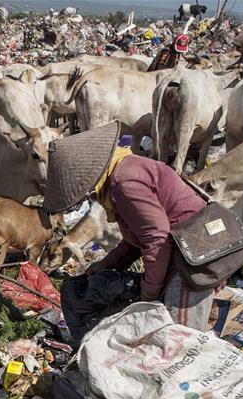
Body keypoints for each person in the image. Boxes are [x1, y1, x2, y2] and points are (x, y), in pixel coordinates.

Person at [44, 122, 215, 331]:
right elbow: (138, 237)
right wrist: (106, 264)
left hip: (191, 260)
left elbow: (156, 237)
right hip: (186, 253)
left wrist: (149, 294)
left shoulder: (124, 183)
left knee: (179, 338)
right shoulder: (124, 171)